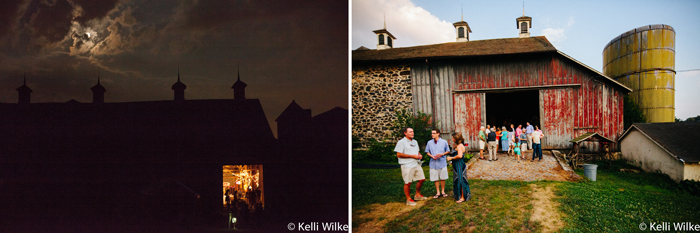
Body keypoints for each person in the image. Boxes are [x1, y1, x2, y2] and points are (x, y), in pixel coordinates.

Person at [394, 127, 427, 205]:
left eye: (413, 131)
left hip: (416, 163)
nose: (412, 133)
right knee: (408, 182)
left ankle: (417, 195)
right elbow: (399, 154)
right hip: (407, 165)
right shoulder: (401, 142)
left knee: (422, 179)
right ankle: (408, 199)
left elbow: (417, 152)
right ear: (405, 133)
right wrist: (412, 156)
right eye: (410, 132)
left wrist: (419, 155)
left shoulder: (415, 141)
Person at [446, 132, 471, 203]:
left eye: (453, 138)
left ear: (456, 138)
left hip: (459, 165)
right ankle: (457, 195)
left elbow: (460, 156)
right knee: (457, 180)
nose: (452, 139)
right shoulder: (458, 145)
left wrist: (451, 158)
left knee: (461, 180)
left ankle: (463, 197)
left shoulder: (460, 146)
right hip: (456, 165)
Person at [425, 129, 450, 199]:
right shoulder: (429, 142)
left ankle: (443, 191)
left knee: (443, 177)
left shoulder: (444, 142)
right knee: (435, 178)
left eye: (434, 133)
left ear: (438, 134)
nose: (432, 134)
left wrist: (442, 154)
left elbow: (448, 151)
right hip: (433, 163)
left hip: (442, 162)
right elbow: (427, 152)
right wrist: (432, 156)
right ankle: (438, 192)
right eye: (431, 133)